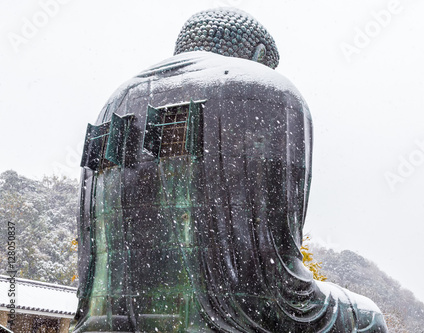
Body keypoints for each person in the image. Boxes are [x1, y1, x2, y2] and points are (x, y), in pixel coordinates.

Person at [73, 8, 388, 332]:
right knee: (369, 317)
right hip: (237, 307)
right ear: (258, 55)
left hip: (107, 319)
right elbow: (278, 256)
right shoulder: (268, 89)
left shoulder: (116, 101)